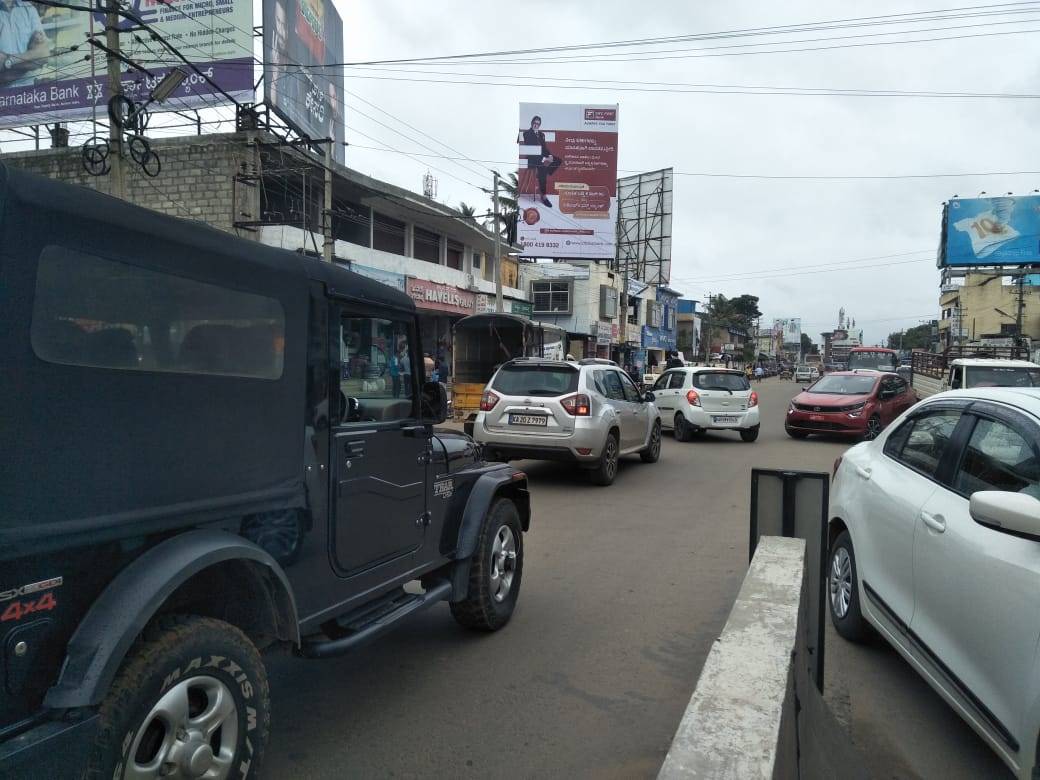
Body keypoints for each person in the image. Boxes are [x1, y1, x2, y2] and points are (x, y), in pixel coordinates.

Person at [0, 0, 49, 86]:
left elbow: (43, 56)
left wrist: (7, 62)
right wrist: (31, 60)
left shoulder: (29, 9)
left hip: (31, 92)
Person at [520, 115, 562, 208]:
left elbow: (544, 148)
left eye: (538, 124)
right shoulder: (527, 133)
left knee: (558, 160)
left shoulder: (541, 134)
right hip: (532, 157)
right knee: (542, 169)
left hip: (541, 156)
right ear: (532, 123)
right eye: (534, 123)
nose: (536, 125)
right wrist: (545, 159)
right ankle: (544, 196)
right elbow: (532, 149)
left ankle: (542, 174)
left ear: (539, 125)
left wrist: (549, 156)